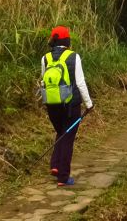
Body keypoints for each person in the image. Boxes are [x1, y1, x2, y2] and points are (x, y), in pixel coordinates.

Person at [40, 25, 93, 186]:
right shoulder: (73, 57)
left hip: (52, 104)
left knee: (62, 132)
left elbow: (43, 81)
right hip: (71, 106)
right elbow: (80, 82)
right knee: (68, 137)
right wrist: (89, 104)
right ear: (67, 40)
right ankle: (63, 176)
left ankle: (55, 166)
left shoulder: (45, 58)